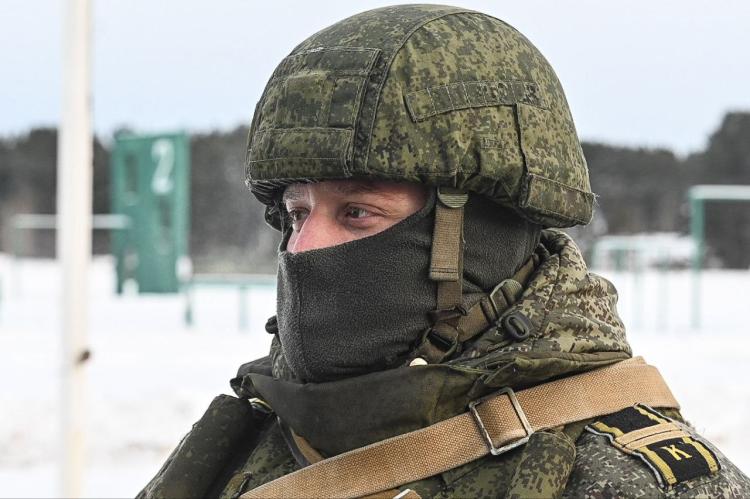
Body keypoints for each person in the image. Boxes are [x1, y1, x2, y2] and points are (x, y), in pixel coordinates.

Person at [139, 5, 750, 498]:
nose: (303, 248)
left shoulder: (624, 479)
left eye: (356, 212)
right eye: (297, 213)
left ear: (482, 237)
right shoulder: (252, 441)